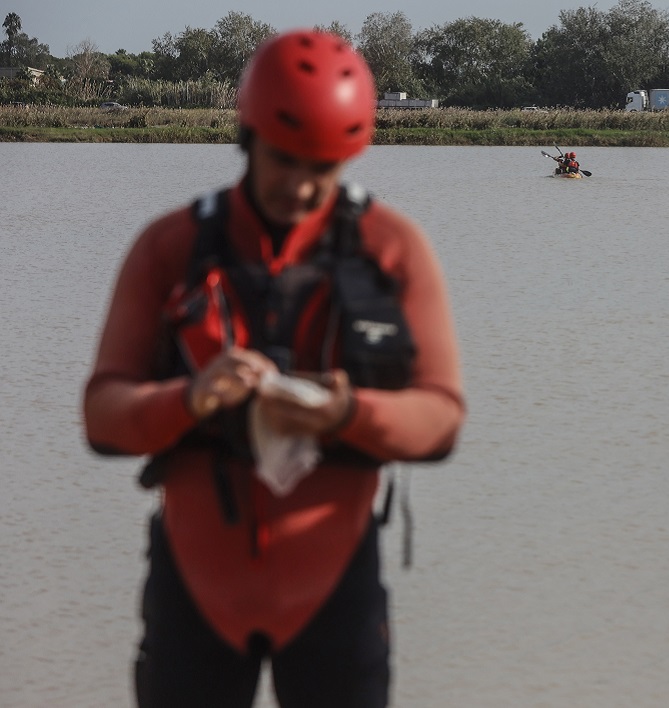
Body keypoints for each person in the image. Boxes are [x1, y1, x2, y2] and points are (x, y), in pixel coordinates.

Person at [82, 30, 465, 707]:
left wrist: (350, 412)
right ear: (247, 136)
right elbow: (103, 415)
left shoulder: (393, 248)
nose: (302, 185)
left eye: (325, 165)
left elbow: (440, 419)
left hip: (336, 586)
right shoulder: (171, 247)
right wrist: (191, 399)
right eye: (284, 159)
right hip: (195, 586)